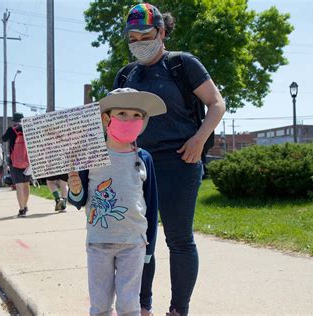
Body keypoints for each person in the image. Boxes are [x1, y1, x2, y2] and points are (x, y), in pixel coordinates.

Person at [115, 4, 226, 315]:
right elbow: (113, 122)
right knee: (140, 240)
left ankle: (178, 309)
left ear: (161, 32)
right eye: (132, 38)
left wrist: (199, 139)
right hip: (137, 165)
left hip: (180, 161)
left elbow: (217, 104)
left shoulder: (182, 65)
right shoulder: (126, 74)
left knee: (178, 239)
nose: (138, 42)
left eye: (145, 35)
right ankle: (142, 306)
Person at [68, 88, 165, 316]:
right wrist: (75, 189)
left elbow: (151, 205)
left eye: (136, 115)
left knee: (129, 306)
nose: (129, 120)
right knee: (100, 306)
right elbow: (78, 200)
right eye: (122, 113)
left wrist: (149, 245)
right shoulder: (90, 155)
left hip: (133, 243)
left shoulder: (143, 158)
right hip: (99, 242)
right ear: (106, 119)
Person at [2, 112, 31, 217]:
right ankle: (25, 205)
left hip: (14, 162)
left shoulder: (11, 129)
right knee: (26, 185)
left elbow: (3, 138)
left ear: (14, 120)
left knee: (19, 186)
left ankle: (22, 209)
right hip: (28, 161)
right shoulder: (29, 128)